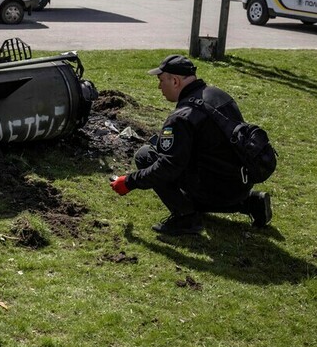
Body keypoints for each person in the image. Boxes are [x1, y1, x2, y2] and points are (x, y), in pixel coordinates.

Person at [109, 54, 272, 236]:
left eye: (161, 80)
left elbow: (168, 168)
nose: (159, 87)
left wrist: (129, 182)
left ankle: (185, 218)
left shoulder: (181, 117)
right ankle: (249, 202)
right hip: (241, 184)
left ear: (175, 81)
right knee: (192, 167)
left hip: (216, 189)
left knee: (145, 155)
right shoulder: (218, 94)